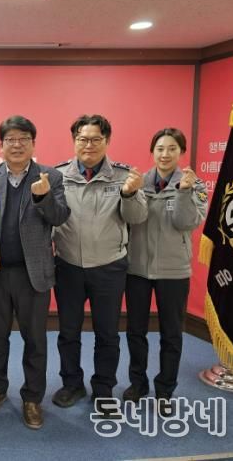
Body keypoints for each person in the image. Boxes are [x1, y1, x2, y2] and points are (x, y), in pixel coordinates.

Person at [0, 115, 70, 430]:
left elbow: (60, 217)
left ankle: (32, 398)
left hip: (33, 274)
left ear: (33, 143)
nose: (17, 145)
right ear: (1, 145)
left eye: (23, 139)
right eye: (10, 139)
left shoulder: (50, 176)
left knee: (35, 340)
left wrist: (43, 197)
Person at [52, 114, 147, 414]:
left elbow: (137, 217)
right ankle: (71, 384)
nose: (89, 145)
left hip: (109, 267)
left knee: (107, 333)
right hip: (67, 265)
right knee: (68, 332)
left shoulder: (124, 176)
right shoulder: (57, 176)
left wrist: (130, 194)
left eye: (96, 139)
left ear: (107, 141)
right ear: (74, 141)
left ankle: (104, 388)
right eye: (82, 139)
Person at [124, 128, 207, 414]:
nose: (165, 154)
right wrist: (130, 193)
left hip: (174, 271)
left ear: (181, 151)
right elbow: (130, 218)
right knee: (135, 331)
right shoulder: (138, 183)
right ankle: (138, 383)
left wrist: (183, 192)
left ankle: (164, 390)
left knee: (171, 334)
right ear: (152, 151)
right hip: (137, 269)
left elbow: (186, 223)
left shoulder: (195, 185)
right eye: (160, 148)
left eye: (172, 148)